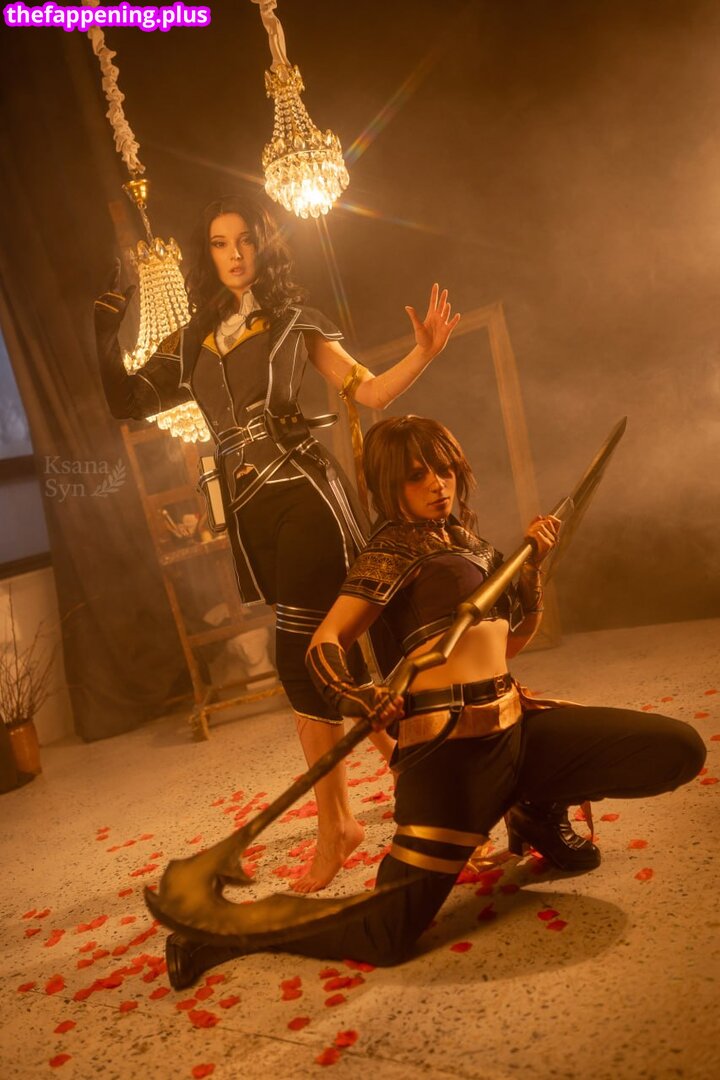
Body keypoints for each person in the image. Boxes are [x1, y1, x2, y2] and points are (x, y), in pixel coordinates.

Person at [163, 415, 706, 987]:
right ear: (388, 485)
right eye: (417, 475)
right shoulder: (390, 550)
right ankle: (219, 933)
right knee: (386, 934)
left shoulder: (471, 545)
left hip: (518, 729)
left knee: (675, 750)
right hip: (453, 759)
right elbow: (324, 642)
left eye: (444, 470)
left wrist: (530, 574)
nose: (437, 484)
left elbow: (507, 645)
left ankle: (535, 807)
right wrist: (360, 695)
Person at [94, 196, 460, 892]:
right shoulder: (194, 339)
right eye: (219, 243)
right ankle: (410, 766)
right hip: (250, 511)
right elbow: (125, 400)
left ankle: (338, 825)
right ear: (208, 254)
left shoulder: (296, 320)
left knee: (299, 655)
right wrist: (104, 326)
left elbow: (370, 392)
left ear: (264, 246)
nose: (234, 254)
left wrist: (423, 351)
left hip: (306, 494)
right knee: (326, 655)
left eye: (245, 240)